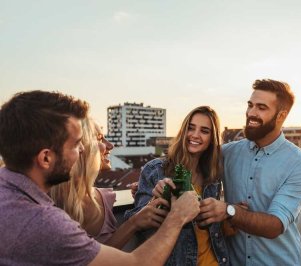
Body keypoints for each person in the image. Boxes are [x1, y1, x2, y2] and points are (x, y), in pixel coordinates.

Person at [0, 90, 200, 266]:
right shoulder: (44, 223)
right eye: (76, 144)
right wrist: (177, 217)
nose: (82, 150)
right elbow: (138, 263)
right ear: (46, 158)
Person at [196, 79, 301, 265]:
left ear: (281, 115)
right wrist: (155, 180)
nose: (251, 113)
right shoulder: (228, 152)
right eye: (250, 105)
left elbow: (275, 225)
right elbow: (189, 161)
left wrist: (229, 211)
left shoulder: (300, 165)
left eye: (261, 107)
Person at [127, 106, 230, 266]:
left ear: (212, 138)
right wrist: (160, 199)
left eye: (204, 131)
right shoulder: (156, 170)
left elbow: (210, 228)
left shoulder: (212, 176)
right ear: (183, 131)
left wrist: (229, 213)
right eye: (191, 128)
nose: (195, 135)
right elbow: (140, 225)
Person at [50, 117, 168, 249]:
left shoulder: (105, 199)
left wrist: (143, 193)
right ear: (80, 147)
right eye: (100, 138)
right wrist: (134, 223)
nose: (111, 145)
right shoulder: (48, 206)